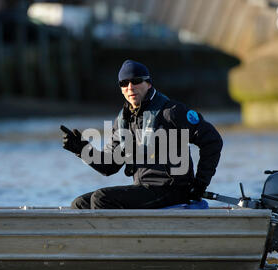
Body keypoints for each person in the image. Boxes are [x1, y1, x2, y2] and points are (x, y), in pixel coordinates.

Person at [61, 60, 223, 209]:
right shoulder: (123, 121)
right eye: (124, 83)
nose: (130, 87)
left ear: (148, 84)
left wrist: (200, 185)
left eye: (136, 81)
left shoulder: (172, 112)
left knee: (101, 198)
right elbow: (109, 166)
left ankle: (116, 240)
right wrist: (82, 150)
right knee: (80, 204)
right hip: (144, 189)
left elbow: (212, 141)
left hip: (174, 189)